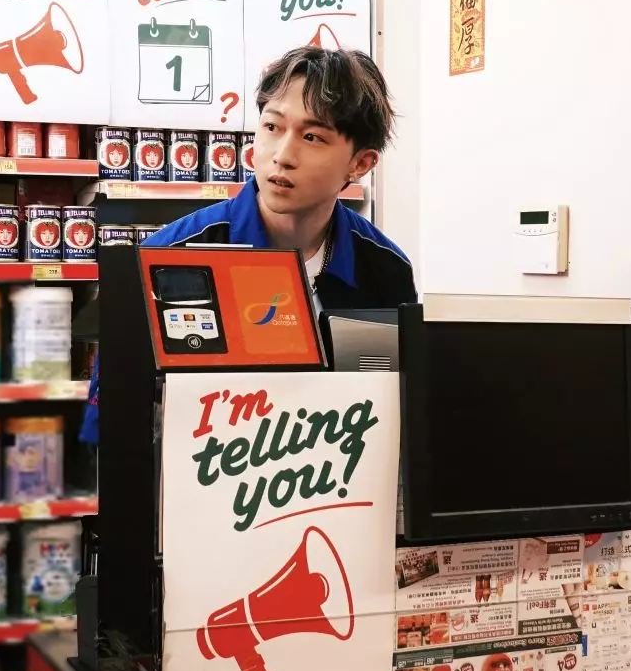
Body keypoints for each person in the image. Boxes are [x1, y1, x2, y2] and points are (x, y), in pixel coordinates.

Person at [79, 45, 416, 445]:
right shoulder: (167, 257)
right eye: (272, 127)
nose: (282, 156)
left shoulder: (385, 268)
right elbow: (112, 432)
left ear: (360, 164)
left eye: (312, 136)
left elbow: (394, 421)